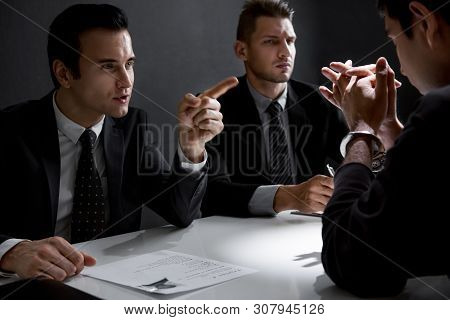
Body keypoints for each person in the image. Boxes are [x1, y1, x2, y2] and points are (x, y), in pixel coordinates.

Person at [0, 4, 236, 281]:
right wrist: (10, 251)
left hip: (113, 286)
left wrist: (193, 146)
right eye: (108, 66)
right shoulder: (10, 130)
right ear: (64, 74)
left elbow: (182, 212)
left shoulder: (133, 127)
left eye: (129, 64)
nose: (126, 81)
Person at [319, 0, 450, 297]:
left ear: (425, 23)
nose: (401, 66)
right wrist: (389, 129)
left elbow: (352, 257)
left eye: (394, 38)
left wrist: (361, 130)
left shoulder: (441, 108)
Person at [202, 0, 348, 217]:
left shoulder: (319, 101)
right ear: (242, 50)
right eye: (271, 42)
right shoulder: (215, 108)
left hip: (304, 233)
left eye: (290, 40)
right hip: (237, 234)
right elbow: (211, 194)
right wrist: (287, 197)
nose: (286, 52)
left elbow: (360, 169)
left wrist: (366, 120)